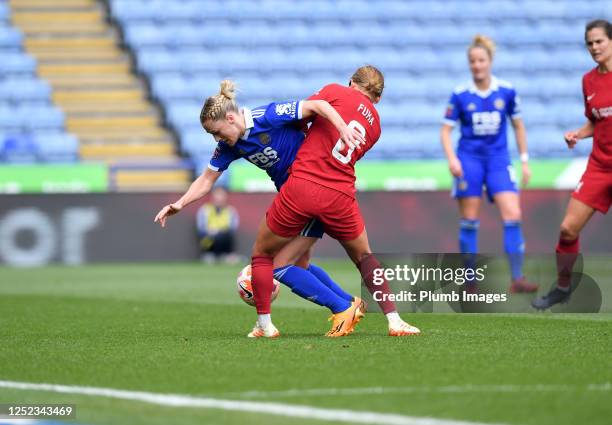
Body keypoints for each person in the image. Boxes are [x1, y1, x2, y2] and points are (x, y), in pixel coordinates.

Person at [154, 80, 418, 337]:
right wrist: (180, 203)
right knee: (300, 263)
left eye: (217, 131)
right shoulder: (229, 145)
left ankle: (336, 309)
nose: (216, 138)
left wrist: (341, 128)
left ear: (232, 119)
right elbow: (207, 179)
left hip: (307, 187)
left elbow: (316, 105)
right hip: (302, 194)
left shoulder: (268, 115)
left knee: (273, 262)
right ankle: (351, 303)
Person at [249, 65, 421, 338]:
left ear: (351, 82)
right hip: (340, 194)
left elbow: (302, 116)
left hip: (303, 186)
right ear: (377, 98)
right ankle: (394, 319)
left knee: (270, 260)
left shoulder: (334, 91)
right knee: (364, 257)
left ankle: (327, 309)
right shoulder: (376, 126)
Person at [440, 34, 538, 294]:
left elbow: (518, 125)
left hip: (498, 161)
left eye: (481, 60)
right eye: (472, 61)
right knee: (470, 220)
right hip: (469, 161)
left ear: (490, 61)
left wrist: (524, 160)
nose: (477, 65)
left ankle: (517, 278)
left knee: (513, 215)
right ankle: (470, 280)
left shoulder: (506, 91)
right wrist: (452, 159)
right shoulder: (460, 95)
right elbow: (446, 131)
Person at [532, 19, 612, 310]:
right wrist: (579, 133)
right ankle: (563, 287)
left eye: (599, 41)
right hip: (600, 167)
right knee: (567, 229)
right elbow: (597, 118)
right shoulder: (589, 81)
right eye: (590, 43)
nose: (594, 48)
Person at [196, 186, 240, 263]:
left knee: (225, 235)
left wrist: (219, 231)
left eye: (221, 196)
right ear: (212, 197)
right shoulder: (205, 209)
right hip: (209, 238)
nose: (219, 198)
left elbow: (233, 228)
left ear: (225, 197)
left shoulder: (231, 211)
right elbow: (200, 228)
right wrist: (209, 231)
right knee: (206, 237)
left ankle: (226, 255)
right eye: (217, 196)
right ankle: (209, 254)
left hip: (224, 237)